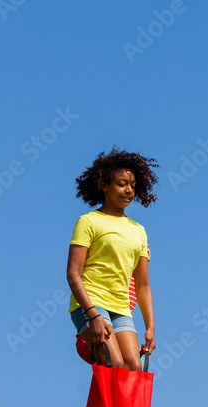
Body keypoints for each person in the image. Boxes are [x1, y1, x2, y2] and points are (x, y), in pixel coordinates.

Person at [67, 147, 157, 370]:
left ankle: (120, 406)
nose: (128, 191)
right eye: (121, 184)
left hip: (121, 307)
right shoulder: (88, 221)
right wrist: (92, 315)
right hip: (90, 303)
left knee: (133, 367)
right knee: (113, 364)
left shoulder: (139, 231)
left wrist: (150, 328)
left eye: (133, 186)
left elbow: (143, 285)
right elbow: (73, 274)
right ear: (104, 186)